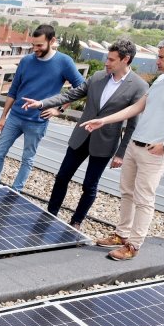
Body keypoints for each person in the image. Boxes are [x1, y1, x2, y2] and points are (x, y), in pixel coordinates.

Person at [83, 34, 164, 260]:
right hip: (135, 144)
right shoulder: (161, 80)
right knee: (127, 193)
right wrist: (104, 120)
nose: (157, 61)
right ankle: (121, 235)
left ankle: (134, 245)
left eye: (161, 57)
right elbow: (137, 107)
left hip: (155, 151)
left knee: (144, 199)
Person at [20, 38, 149, 230]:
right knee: (62, 177)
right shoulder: (97, 77)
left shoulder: (139, 86)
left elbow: (132, 125)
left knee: (89, 185)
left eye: (112, 60)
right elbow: (70, 95)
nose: (107, 62)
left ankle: (76, 222)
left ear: (126, 60)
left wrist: (121, 153)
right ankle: (50, 214)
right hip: (80, 138)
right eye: (107, 58)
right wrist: (42, 103)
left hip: (104, 143)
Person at [0, 24, 84, 192]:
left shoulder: (64, 62)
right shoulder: (26, 61)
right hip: (15, 117)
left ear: (52, 41)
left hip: (37, 121)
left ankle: (15, 191)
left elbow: (80, 88)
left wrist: (59, 110)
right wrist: (3, 117)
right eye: (33, 45)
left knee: (27, 159)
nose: (35, 49)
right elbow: (13, 90)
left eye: (39, 45)